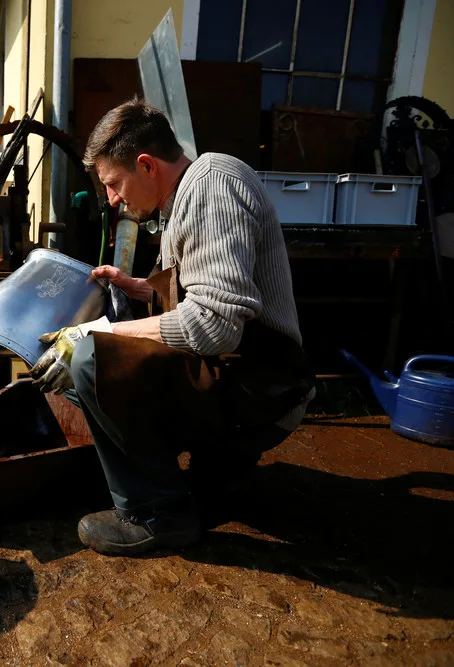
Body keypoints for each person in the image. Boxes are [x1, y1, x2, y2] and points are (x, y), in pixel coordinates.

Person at [29, 98, 314, 557]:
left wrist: (95, 336)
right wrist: (140, 288)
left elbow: (216, 325)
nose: (112, 199)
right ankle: (212, 470)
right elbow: (199, 293)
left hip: (265, 389)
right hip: (247, 376)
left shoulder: (211, 186)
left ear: (146, 165)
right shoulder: (190, 195)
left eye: (113, 184)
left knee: (89, 361)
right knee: (98, 349)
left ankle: (156, 514)